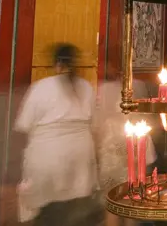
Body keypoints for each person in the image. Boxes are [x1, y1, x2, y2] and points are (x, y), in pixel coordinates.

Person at [14, 44, 101, 226]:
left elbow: (23, 127)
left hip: (48, 157)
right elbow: (95, 126)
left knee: (46, 214)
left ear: (56, 64)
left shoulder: (41, 87)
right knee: (74, 214)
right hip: (80, 155)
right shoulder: (86, 87)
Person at [94, 76, 157, 226]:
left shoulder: (109, 123)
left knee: (112, 207)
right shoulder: (139, 124)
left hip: (110, 171)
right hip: (127, 170)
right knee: (130, 207)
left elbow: (100, 144)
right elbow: (147, 156)